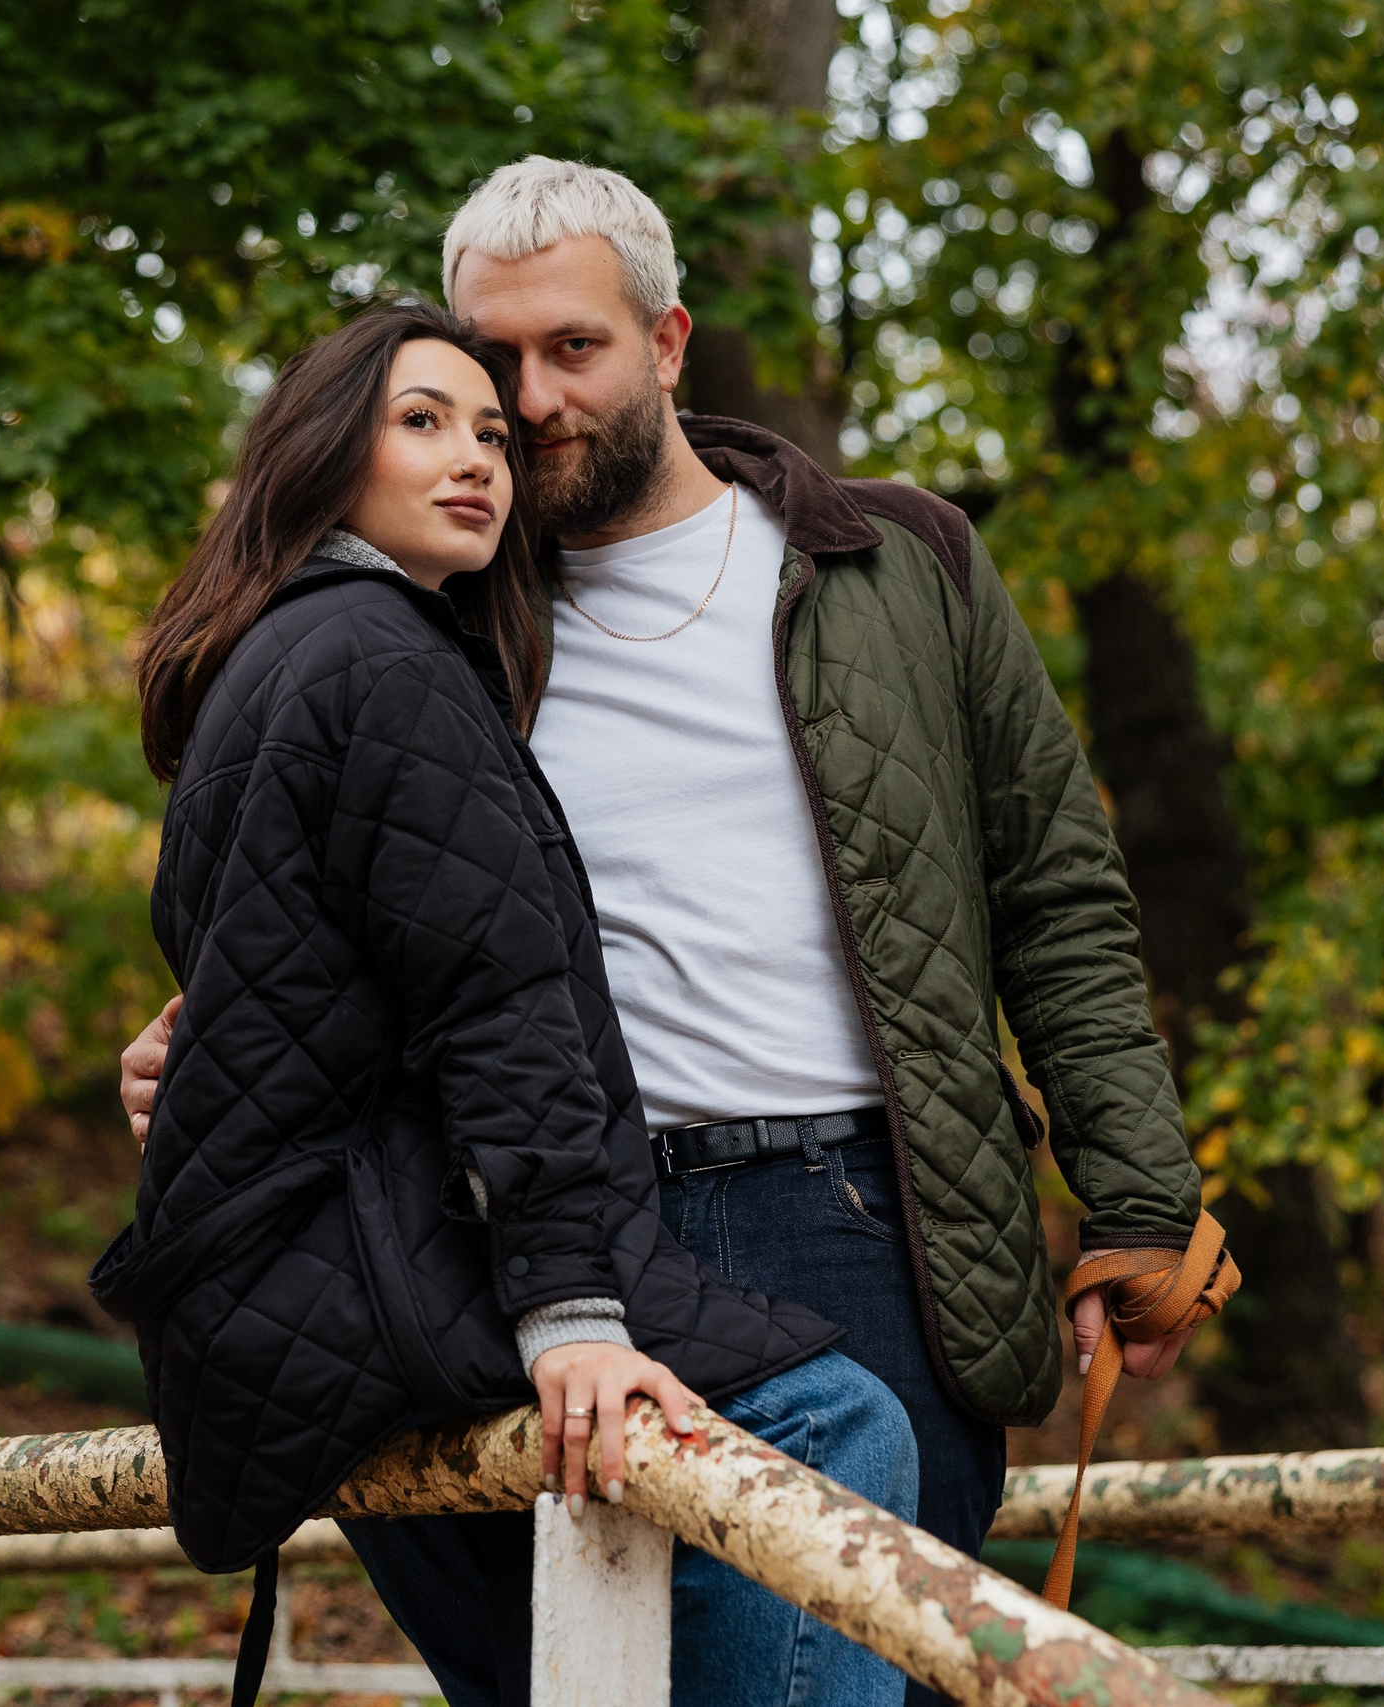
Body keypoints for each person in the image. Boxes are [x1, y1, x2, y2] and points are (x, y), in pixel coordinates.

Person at [120, 159, 1238, 1702]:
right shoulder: (431, 607)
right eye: (489, 363)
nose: (529, 401)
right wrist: (216, 1039)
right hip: (546, 1244)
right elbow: (355, 903)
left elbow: (1054, 890)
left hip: (875, 1222)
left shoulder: (894, 564)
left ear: (666, 340)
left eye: (570, 349)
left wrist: (1139, 1196)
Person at [89, 299, 916, 1707]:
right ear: (324, 452)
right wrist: (572, 1310)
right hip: (373, 1284)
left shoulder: (264, 661)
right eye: (422, 423)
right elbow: (501, 998)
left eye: (488, 432)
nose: (476, 456)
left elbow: (291, 993)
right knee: (834, 1424)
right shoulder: (385, 658)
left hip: (288, 1323)